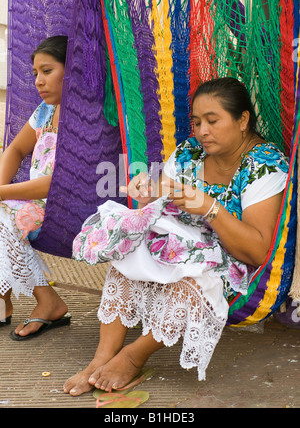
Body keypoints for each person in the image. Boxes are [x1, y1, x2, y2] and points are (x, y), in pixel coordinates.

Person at [64, 77, 288, 396]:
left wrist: (210, 208)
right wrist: (147, 194)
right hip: (177, 245)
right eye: (196, 122)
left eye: (212, 121)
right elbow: (161, 206)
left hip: (229, 261)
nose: (202, 131)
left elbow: (256, 251)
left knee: (193, 282)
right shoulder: (189, 154)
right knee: (128, 252)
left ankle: (132, 356)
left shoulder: (264, 167)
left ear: (242, 120)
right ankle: (101, 356)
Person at [0, 35, 71, 340]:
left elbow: (58, 183)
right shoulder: (44, 112)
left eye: (47, 70)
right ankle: (3, 299)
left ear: (71, 72)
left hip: (65, 206)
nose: (39, 81)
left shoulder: (81, 118)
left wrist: (1, 194)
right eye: (35, 74)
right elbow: (15, 150)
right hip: (34, 202)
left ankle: (48, 301)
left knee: (4, 216)